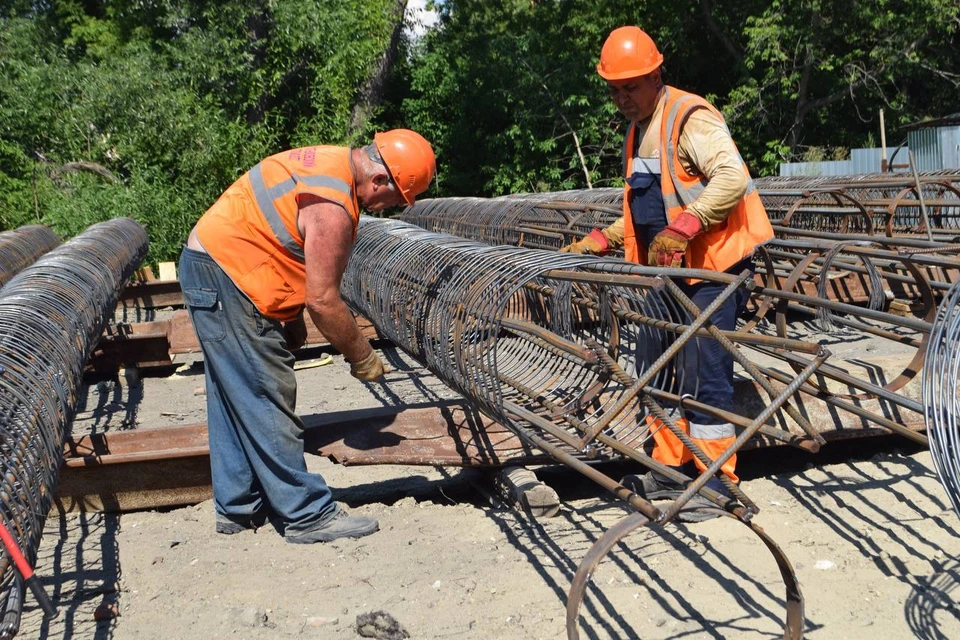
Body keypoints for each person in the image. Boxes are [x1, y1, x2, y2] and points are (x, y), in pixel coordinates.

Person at [179, 130, 436, 543]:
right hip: (230, 275)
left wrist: (288, 315)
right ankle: (306, 514)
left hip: (213, 266)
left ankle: (238, 507)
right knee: (266, 390)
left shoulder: (329, 165)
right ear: (380, 181)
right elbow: (324, 300)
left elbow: (284, 239)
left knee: (232, 394)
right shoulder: (333, 205)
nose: (388, 209)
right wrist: (362, 355)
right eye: (394, 201)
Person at [561, 26, 773, 521]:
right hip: (667, 274)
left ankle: (716, 479)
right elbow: (645, 209)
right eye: (614, 89)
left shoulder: (689, 116)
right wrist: (605, 238)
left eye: (630, 86)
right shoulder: (639, 129)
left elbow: (732, 178)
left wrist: (687, 224)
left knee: (705, 369)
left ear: (656, 74)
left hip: (713, 269)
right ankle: (670, 463)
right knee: (656, 365)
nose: (621, 97)